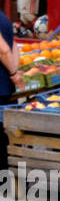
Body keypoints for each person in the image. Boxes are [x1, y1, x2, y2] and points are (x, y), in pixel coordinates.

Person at [0, 9, 17, 171]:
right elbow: (12, 49)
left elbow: (3, 50)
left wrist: (13, 73)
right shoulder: (4, 19)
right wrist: (15, 73)